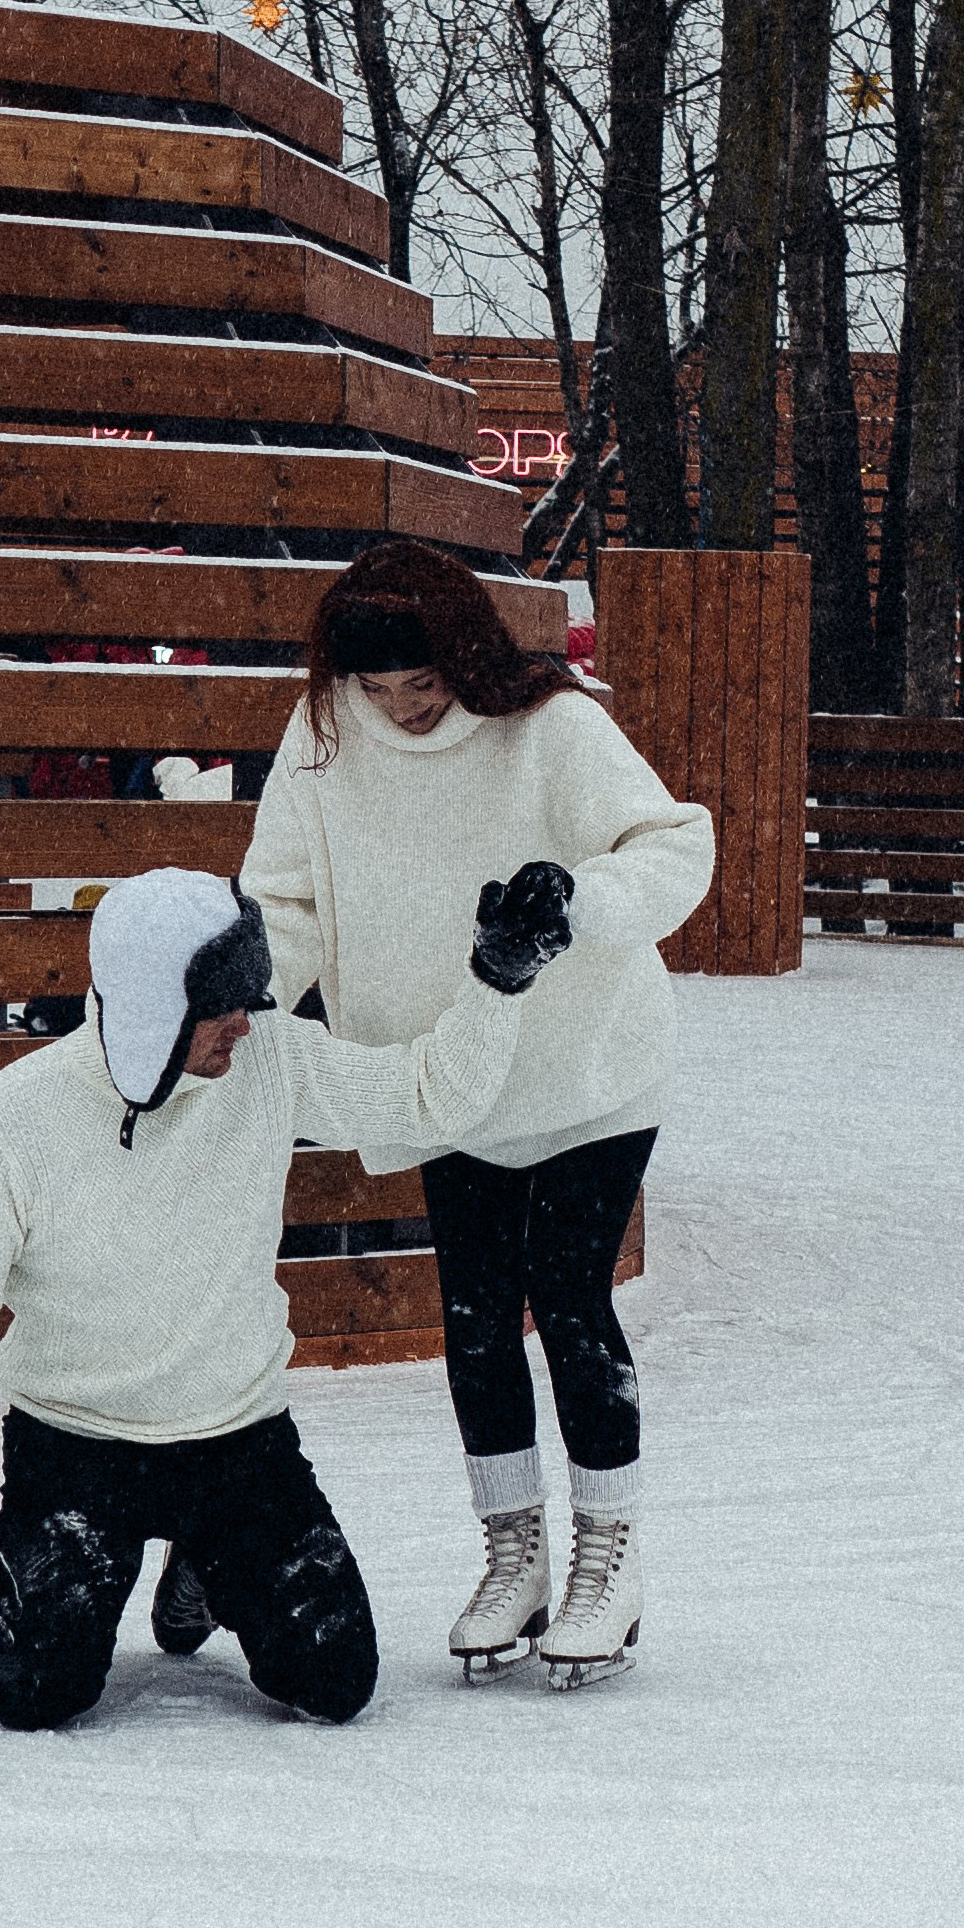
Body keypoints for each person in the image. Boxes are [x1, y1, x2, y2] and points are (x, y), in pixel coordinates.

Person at [0, 858, 575, 1729]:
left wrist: (497, 981)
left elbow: (425, 1098)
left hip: (235, 1444)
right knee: (33, 1691)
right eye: (223, 1005)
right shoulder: (14, 1120)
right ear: (152, 1008)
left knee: (335, 1680)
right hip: (75, 1449)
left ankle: (208, 1557)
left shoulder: (272, 1065)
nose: (247, 1026)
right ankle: (157, 1557)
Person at [241, 539, 714, 1688]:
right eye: (380, 688)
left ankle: (611, 1552)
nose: (404, 707)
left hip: (590, 1066)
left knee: (568, 1292)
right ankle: (515, 1549)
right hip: (446, 1069)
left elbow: (677, 845)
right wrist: (240, 994)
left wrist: (579, 899)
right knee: (473, 1316)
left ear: (465, 654)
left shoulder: (550, 724)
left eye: (424, 683)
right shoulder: (321, 736)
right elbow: (285, 897)